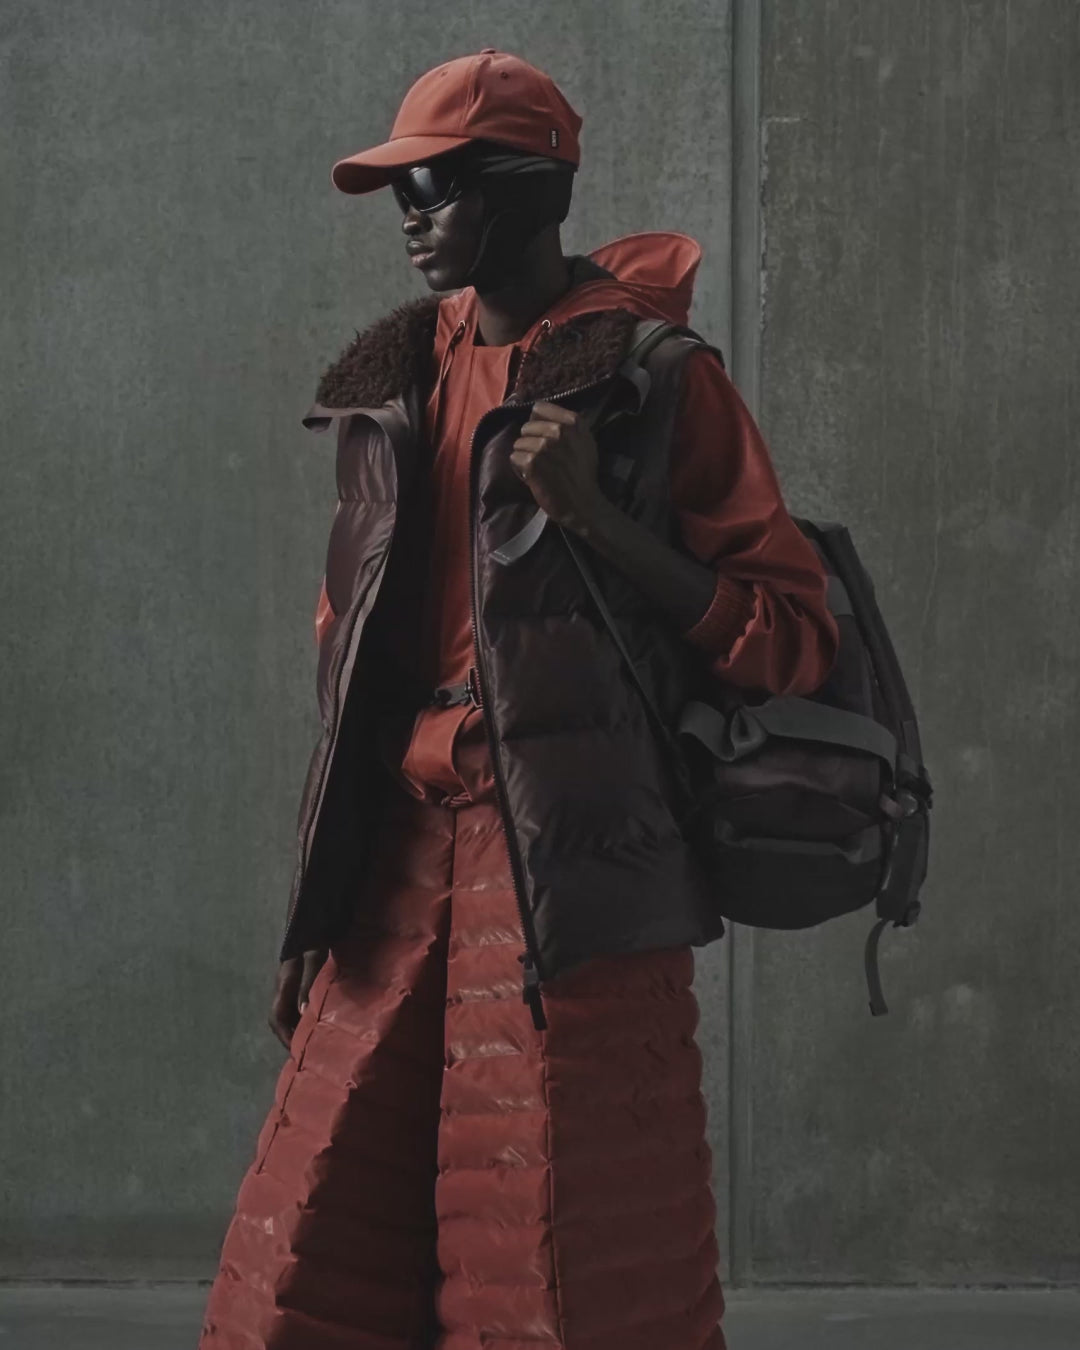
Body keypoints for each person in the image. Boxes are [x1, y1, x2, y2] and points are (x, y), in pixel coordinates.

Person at [198, 48, 838, 1350]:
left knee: (559, 1243)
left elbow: (792, 640)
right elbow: (346, 662)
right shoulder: (394, 387)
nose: (411, 218)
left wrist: (599, 520)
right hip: (397, 840)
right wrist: (319, 891)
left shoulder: (654, 379)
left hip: (573, 851)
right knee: (311, 1237)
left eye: (434, 187)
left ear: (530, 188)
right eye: (400, 193)